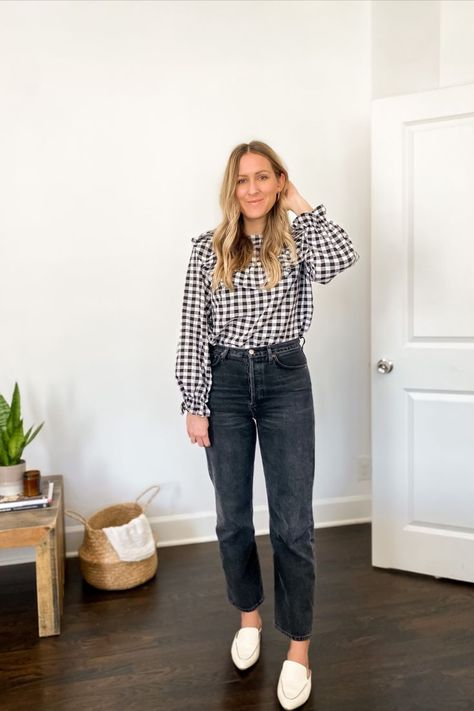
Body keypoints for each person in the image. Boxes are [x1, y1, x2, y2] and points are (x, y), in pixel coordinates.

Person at [175, 140, 360, 710]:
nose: (251, 188)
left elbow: (342, 260)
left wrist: (303, 202)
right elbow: (191, 327)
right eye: (242, 179)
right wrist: (194, 401)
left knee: (292, 524)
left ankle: (298, 649)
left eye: (263, 177)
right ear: (230, 188)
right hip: (225, 381)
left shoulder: (301, 240)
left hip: (284, 378)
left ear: (278, 180)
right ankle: (249, 620)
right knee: (232, 519)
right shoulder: (208, 249)